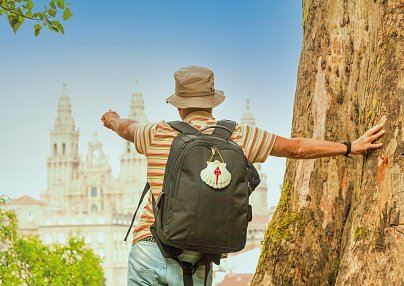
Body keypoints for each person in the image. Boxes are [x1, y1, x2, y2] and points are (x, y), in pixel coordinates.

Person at [101, 66, 385, 286]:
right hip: (197, 260)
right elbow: (296, 148)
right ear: (213, 102)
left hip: (150, 250)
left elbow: (127, 127)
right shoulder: (238, 135)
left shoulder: (158, 132)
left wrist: (111, 119)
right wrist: (350, 146)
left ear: (179, 105)